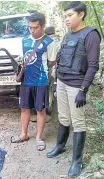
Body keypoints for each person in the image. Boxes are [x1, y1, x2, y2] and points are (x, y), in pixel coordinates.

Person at [47, 2, 101, 177]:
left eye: (70, 15)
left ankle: (76, 161)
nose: (67, 19)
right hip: (62, 82)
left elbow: (93, 66)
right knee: (63, 117)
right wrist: (56, 84)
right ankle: (60, 147)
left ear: (81, 14)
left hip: (76, 84)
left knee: (78, 122)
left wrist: (82, 90)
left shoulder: (91, 35)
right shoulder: (68, 36)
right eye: (65, 17)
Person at [11, 12, 57, 151]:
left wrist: (40, 68)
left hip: (41, 81)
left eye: (35, 27)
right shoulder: (24, 41)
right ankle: (24, 134)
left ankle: (38, 137)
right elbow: (23, 58)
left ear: (42, 26)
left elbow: (51, 62)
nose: (32, 30)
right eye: (30, 27)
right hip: (26, 81)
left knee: (40, 109)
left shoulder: (49, 42)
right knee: (24, 108)